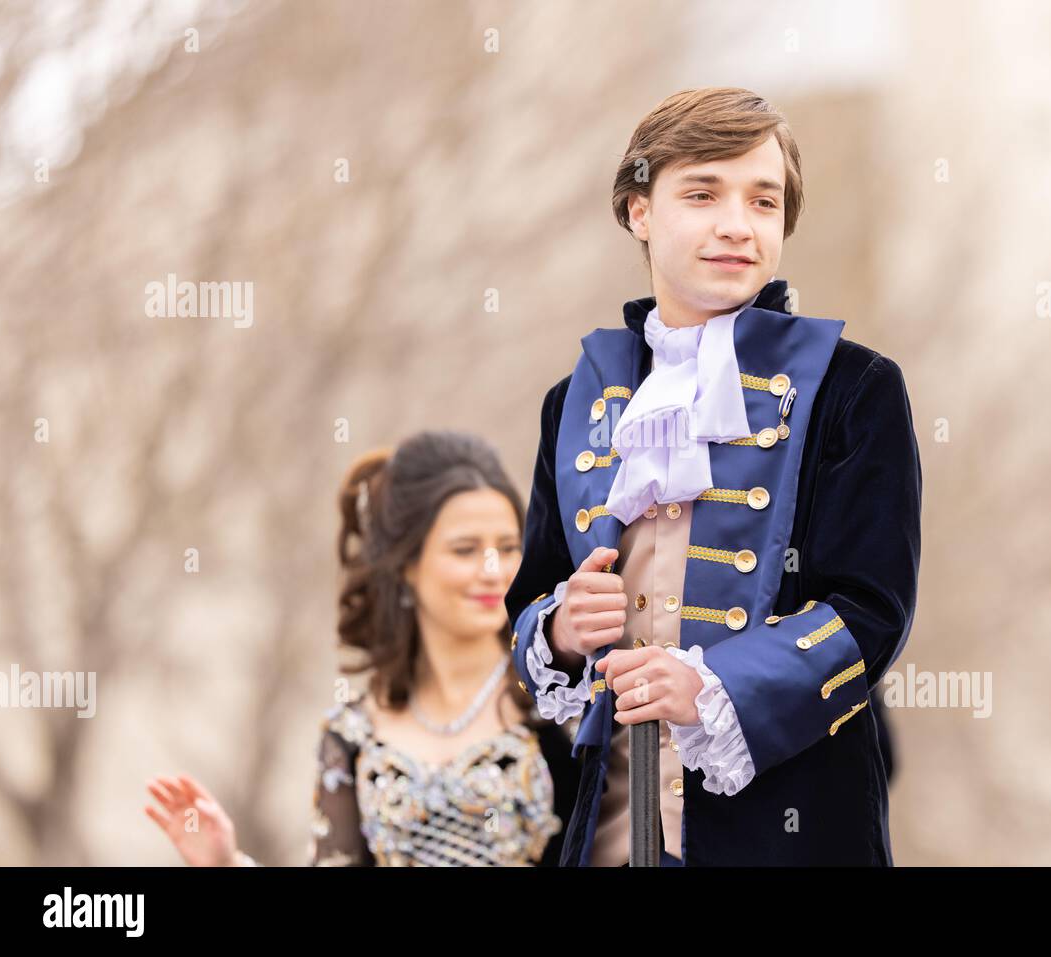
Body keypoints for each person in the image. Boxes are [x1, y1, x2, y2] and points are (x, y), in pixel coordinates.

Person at [505, 88, 922, 866]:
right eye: (702, 193)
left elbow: (872, 610)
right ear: (639, 210)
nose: (737, 223)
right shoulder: (577, 399)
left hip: (792, 829)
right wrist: (562, 629)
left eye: (763, 201)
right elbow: (530, 596)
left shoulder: (855, 387)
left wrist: (711, 687)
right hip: (612, 829)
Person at [145, 431, 579, 866]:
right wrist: (227, 864)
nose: (493, 570)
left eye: (507, 548)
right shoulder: (353, 734)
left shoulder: (561, 704)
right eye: (465, 550)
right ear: (407, 564)